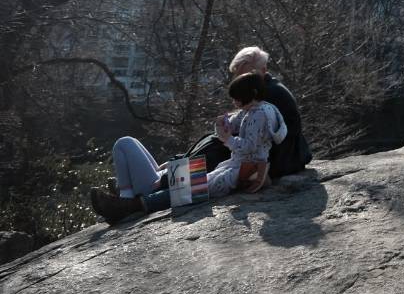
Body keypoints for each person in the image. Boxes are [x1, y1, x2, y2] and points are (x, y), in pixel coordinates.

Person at [89, 73, 287, 223]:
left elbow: (249, 147)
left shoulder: (259, 114)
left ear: (251, 94)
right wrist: (222, 125)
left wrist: (227, 139)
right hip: (233, 166)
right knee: (130, 143)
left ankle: (130, 203)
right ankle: (127, 196)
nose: (234, 103)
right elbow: (233, 125)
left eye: (237, 98)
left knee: (190, 187)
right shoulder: (254, 111)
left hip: (240, 170)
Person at [229, 46, 312, 177]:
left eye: (249, 75)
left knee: (219, 148)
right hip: (282, 154)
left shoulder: (269, 94)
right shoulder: (263, 88)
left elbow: (252, 136)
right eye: (240, 76)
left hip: (283, 158)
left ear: (263, 70)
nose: (243, 81)